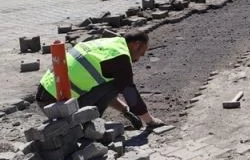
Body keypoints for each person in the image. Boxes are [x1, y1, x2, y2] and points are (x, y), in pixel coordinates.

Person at [35, 30, 164, 130]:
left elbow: (101, 88)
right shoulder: (121, 56)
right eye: (141, 53)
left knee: (115, 82)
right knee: (118, 83)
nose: (138, 59)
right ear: (136, 45)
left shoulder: (109, 44)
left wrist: (125, 110)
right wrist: (150, 121)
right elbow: (130, 93)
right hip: (58, 105)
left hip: (45, 96)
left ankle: (87, 123)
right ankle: (87, 125)